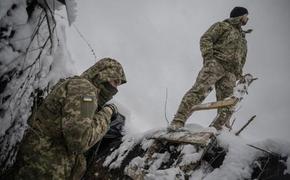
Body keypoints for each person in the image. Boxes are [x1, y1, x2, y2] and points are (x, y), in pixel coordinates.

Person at [14, 58, 127, 179]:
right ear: (103, 75)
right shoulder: (85, 90)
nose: (115, 89)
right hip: (43, 169)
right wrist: (107, 113)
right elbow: (80, 140)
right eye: (115, 82)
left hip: (38, 165)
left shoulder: (81, 88)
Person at [170, 7, 252, 130]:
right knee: (199, 91)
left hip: (231, 73)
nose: (248, 18)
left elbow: (243, 58)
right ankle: (178, 121)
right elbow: (206, 38)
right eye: (246, 15)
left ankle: (220, 128)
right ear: (240, 16)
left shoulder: (243, 39)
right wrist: (209, 59)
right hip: (216, 64)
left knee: (228, 102)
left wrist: (238, 73)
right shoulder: (223, 26)